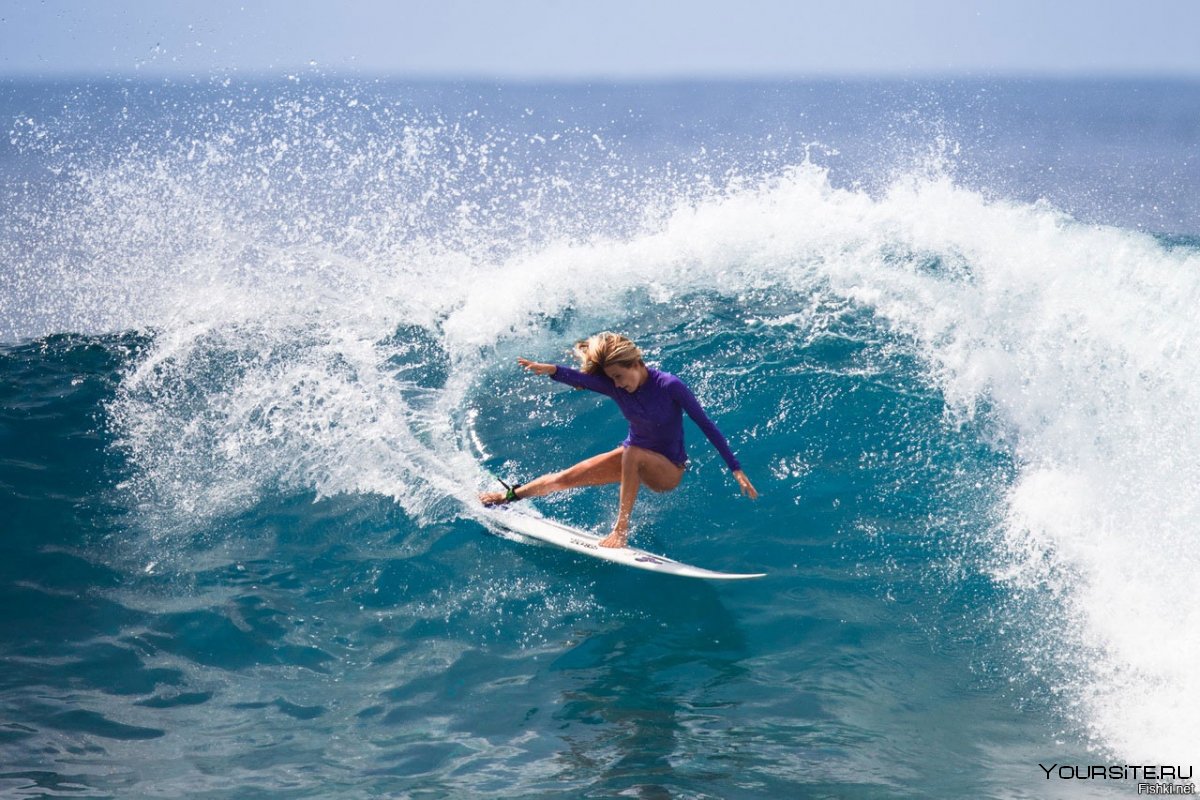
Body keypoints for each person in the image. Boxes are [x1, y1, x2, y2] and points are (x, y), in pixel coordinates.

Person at [480, 332, 758, 548]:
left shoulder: (669, 385)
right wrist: (551, 369)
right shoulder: (618, 386)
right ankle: (508, 497)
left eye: (619, 376)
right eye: (611, 379)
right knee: (563, 478)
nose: (617, 384)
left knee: (633, 452)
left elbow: (705, 424)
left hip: (668, 470)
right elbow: (580, 378)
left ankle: (620, 531)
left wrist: (735, 468)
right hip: (631, 457)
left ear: (636, 364)